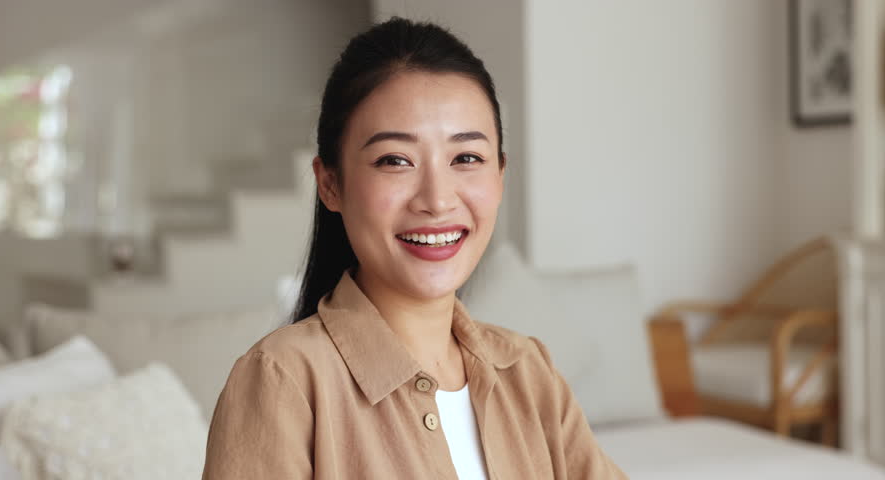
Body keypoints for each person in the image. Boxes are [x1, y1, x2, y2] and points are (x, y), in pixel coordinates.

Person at [201, 17, 627, 480]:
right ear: (330, 183)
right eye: (395, 160)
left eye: (466, 158)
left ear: (500, 176)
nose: (437, 200)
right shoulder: (283, 380)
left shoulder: (527, 371)